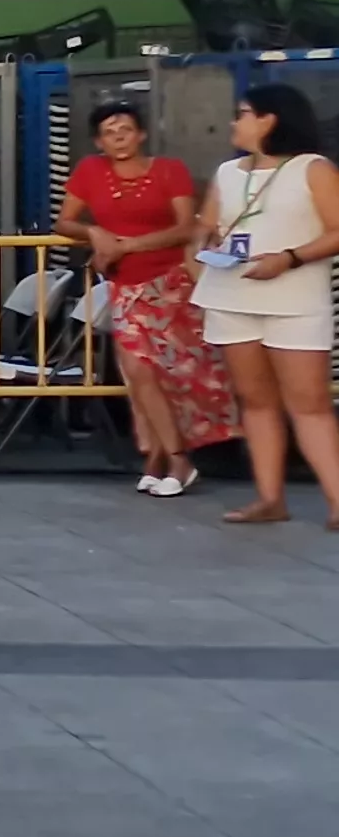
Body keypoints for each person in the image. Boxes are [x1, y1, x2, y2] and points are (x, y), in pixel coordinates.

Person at [63, 100, 233, 497]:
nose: (118, 137)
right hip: (126, 287)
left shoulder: (169, 171)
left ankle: (157, 458)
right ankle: (177, 459)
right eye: (109, 132)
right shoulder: (90, 171)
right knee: (139, 373)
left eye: (125, 129)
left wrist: (129, 245)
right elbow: (65, 220)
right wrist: (96, 234)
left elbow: (183, 228)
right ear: (98, 141)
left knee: (171, 376)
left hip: (172, 284)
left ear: (140, 135)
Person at [190, 84, 339, 526]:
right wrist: (202, 246)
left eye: (243, 113)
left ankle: (336, 497)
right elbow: (206, 224)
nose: (235, 123)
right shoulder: (228, 172)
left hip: (295, 298)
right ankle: (269, 497)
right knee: (255, 401)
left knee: (308, 402)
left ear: (269, 119)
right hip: (232, 294)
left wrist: (288, 258)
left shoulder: (313, 169)